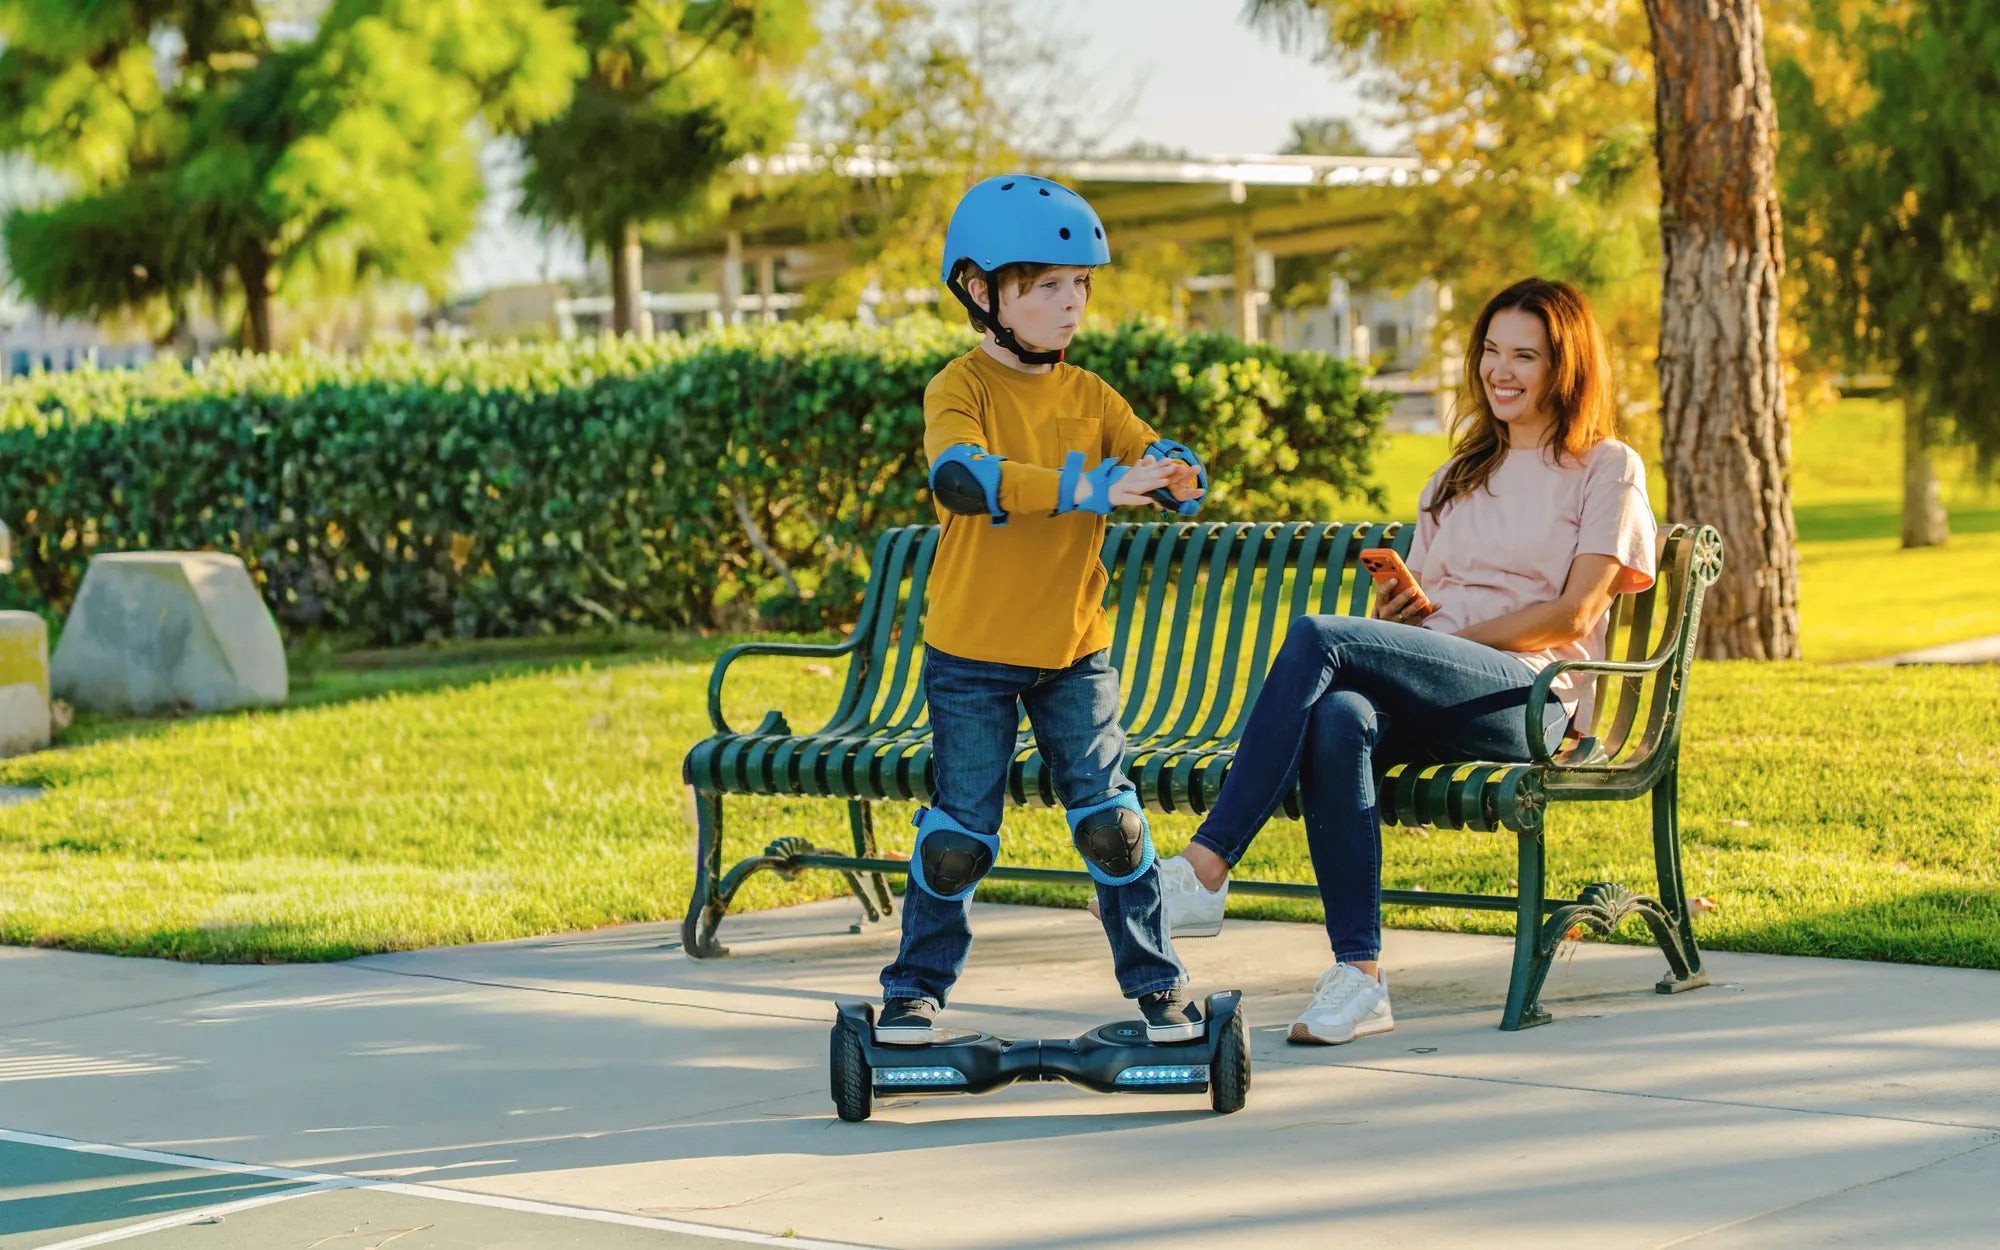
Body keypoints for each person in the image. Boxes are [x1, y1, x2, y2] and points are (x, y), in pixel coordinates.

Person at [1146, 277, 1657, 1045]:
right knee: (1339, 717)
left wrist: (1442, 645)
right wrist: (1400, 622)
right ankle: (1360, 978)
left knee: (1321, 634)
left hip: (1530, 699)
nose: (1500, 371)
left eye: (1525, 356)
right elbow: (1429, 609)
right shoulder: (1455, 479)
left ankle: (1206, 865)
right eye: (1491, 351)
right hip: (1441, 687)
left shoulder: (1606, 467)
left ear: (1567, 367)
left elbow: (1575, 613)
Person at [874, 173, 1208, 1044]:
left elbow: (1153, 455)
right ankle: (913, 990)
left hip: (1072, 651)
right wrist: (1095, 486)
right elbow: (963, 476)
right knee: (959, 836)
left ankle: (1160, 985)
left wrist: (1175, 472)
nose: (1071, 305)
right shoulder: (960, 389)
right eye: (1048, 285)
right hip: (972, 652)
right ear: (981, 291)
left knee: (1113, 825)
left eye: (1082, 286)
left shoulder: (1090, 395)